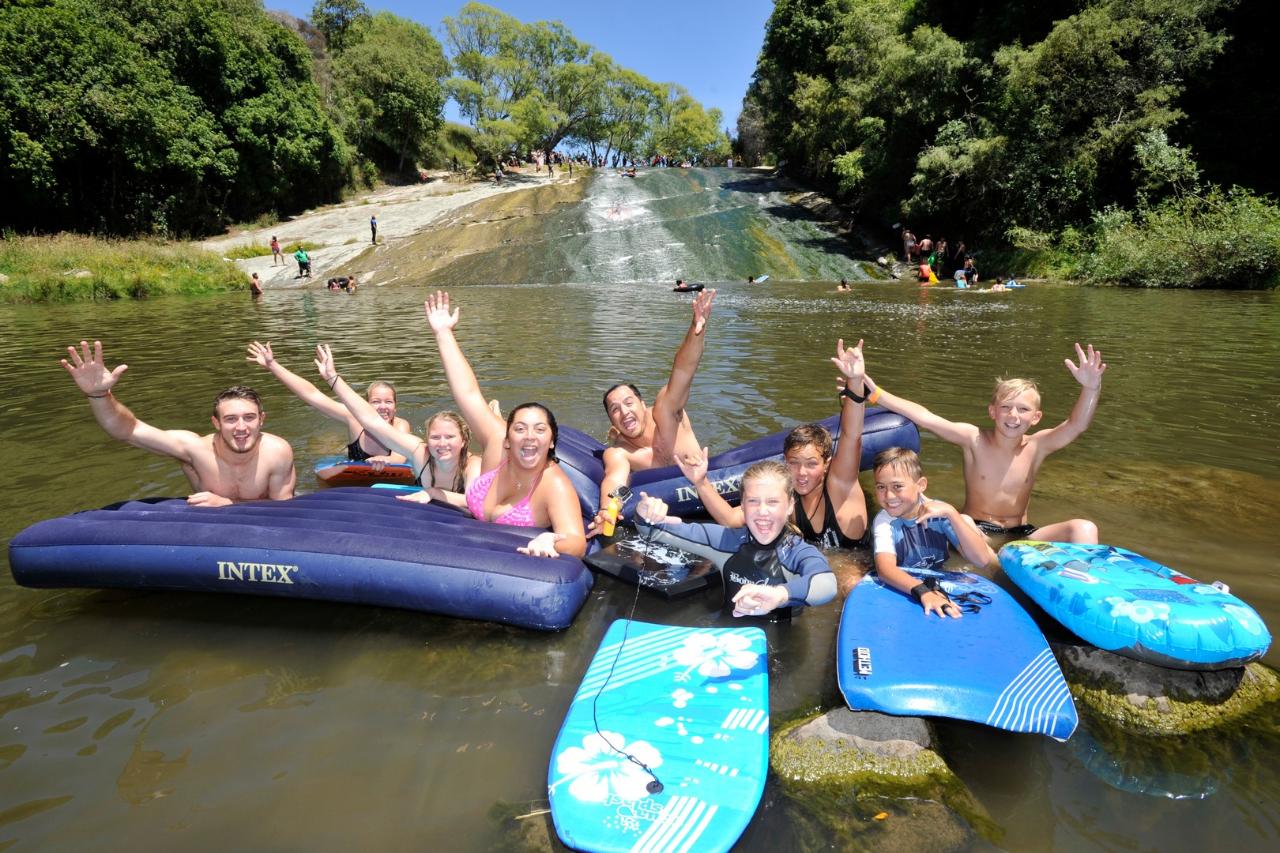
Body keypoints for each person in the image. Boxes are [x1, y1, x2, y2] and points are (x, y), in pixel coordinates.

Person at [864, 342, 1106, 545]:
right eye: (1005, 408)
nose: (1013, 416)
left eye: (1023, 410)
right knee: (964, 522)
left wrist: (1091, 386)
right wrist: (876, 394)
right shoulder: (973, 439)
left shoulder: (1038, 446)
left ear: (1036, 417)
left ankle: (1087, 587)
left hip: (1022, 535)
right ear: (993, 411)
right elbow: (926, 417)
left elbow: (1076, 425)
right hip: (978, 530)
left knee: (1084, 528)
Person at [422, 291, 587, 558]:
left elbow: (577, 542)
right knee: (483, 413)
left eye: (540, 429)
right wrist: (443, 334)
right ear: (508, 438)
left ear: (552, 440)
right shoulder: (499, 448)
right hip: (471, 545)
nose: (530, 436)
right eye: (520, 428)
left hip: (501, 561)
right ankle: (495, 414)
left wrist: (550, 541)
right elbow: (468, 394)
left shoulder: (553, 484)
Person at [675, 339, 872, 550]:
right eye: (794, 463)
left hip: (856, 569)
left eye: (811, 463)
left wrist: (855, 382)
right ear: (785, 463)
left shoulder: (840, 486)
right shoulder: (786, 497)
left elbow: (852, 436)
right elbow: (732, 520)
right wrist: (700, 482)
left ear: (826, 464)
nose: (802, 472)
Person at [61, 340, 296, 506]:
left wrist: (228, 503)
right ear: (216, 423)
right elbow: (129, 430)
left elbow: (284, 512)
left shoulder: (276, 452)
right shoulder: (193, 449)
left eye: (249, 417)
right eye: (231, 419)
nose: (241, 427)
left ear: (262, 420)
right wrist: (100, 396)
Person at [633, 461, 836, 619]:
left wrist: (779, 595)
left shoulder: (797, 552)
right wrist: (645, 512)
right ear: (743, 505)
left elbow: (827, 584)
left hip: (782, 642)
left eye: (773, 502)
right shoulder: (725, 540)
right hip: (729, 631)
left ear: (790, 505)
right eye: (753, 501)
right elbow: (651, 531)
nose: (762, 512)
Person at [595, 290, 716, 530]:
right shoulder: (620, 453)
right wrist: (606, 512)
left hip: (706, 498)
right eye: (615, 410)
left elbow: (683, 371)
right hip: (668, 511)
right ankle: (614, 432)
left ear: (643, 404)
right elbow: (614, 480)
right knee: (616, 443)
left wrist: (696, 328)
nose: (624, 412)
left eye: (629, 403)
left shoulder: (665, 413)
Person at [314, 344, 481, 505]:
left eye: (450, 437)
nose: (442, 443)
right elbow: (371, 421)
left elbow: (474, 502)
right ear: (427, 439)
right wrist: (332, 378)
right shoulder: (419, 452)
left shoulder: (473, 465)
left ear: (464, 440)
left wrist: (433, 492)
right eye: (435, 437)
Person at [869, 448, 997, 618]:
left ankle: (990, 542)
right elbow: (885, 570)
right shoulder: (885, 521)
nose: (889, 495)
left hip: (936, 571)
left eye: (897, 486)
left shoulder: (939, 512)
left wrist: (952, 513)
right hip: (906, 576)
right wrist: (924, 592)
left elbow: (981, 561)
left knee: (964, 521)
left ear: (921, 485)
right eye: (881, 487)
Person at [246, 341, 410, 467]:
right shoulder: (353, 418)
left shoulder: (400, 426)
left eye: (388, 402)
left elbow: (399, 458)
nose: (383, 407)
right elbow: (312, 395)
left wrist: (385, 460)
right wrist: (272, 365)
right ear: (365, 405)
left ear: (395, 407)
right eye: (376, 402)